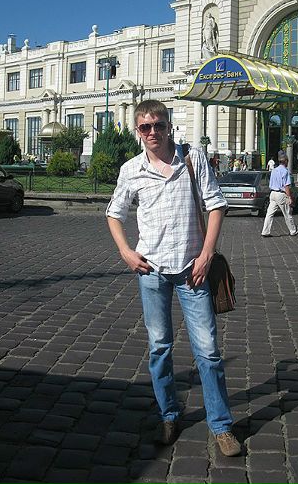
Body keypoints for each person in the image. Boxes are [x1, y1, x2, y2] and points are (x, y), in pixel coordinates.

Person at [106, 99, 240, 457]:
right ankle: (168, 414)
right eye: (145, 127)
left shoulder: (192, 159)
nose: (153, 132)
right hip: (151, 271)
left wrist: (207, 254)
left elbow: (216, 205)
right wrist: (125, 251)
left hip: (192, 271)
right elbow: (114, 213)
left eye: (159, 125)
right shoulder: (131, 170)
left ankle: (221, 426)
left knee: (208, 351)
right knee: (160, 347)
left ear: (169, 127)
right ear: (138, 131)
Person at [261, 155, 298, 237]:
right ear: (286, 161)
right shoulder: (285, 171)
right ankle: (293, 230)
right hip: (281, 194)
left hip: (273, 193)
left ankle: (265, 231)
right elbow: (286, 186)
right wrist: (289, 197)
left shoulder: (274, 170)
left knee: (269, 214)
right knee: (287, 213)